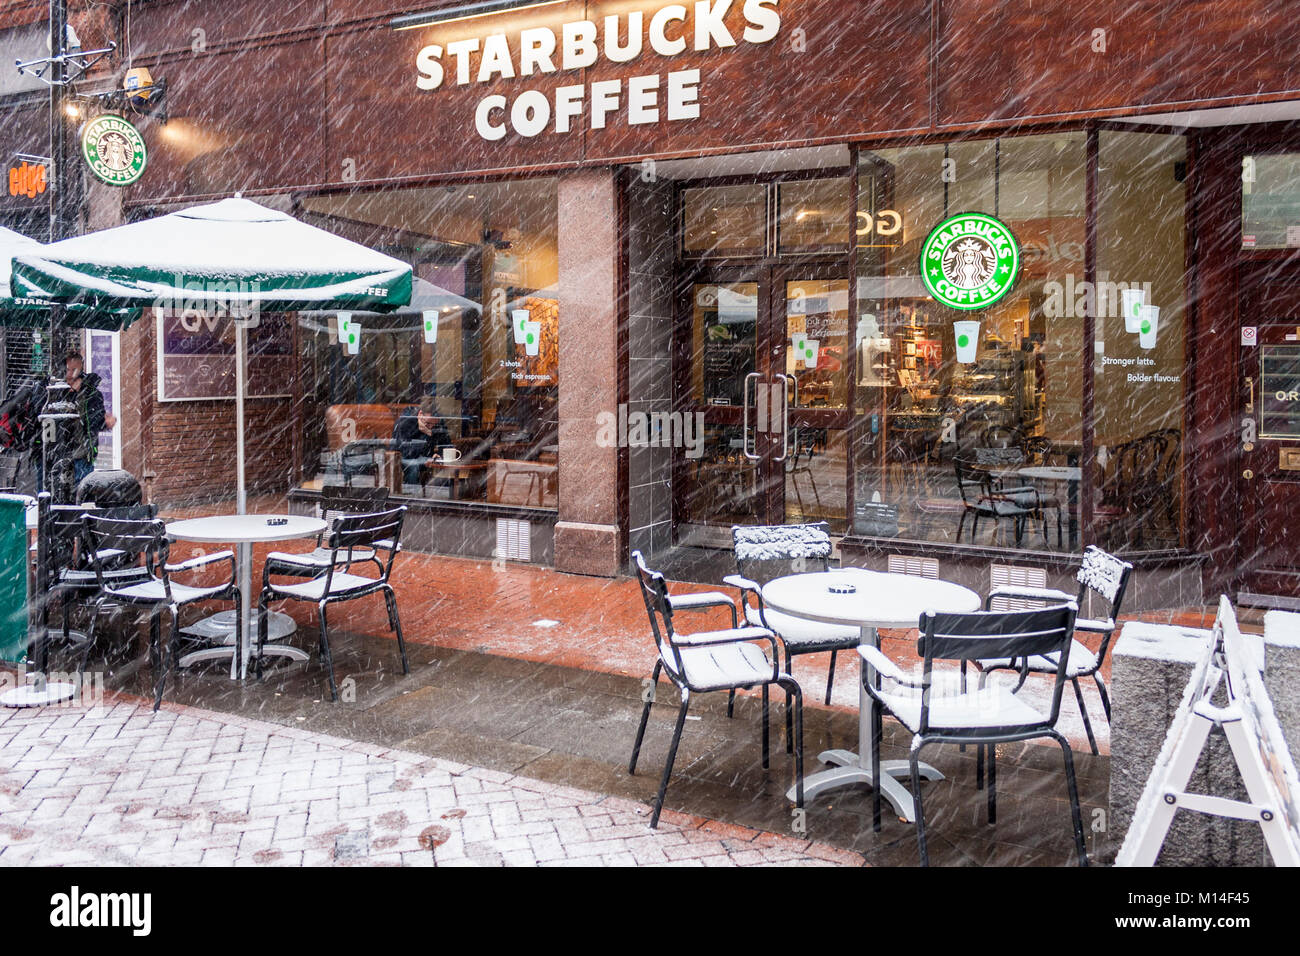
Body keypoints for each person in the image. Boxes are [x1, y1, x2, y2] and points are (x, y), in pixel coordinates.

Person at [63, 352, 116, 488]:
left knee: (82, 488)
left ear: (80, 370)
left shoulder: (92, 394)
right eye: (67, 369)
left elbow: (95, 421)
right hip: (63, 452)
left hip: (83, 452)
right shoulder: (60, 391)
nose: (69, 374)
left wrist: (106, 423)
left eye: (73, 370)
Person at [392, 395, 451, 487]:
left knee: (446, 464)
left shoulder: (438, 422)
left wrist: (439, 454)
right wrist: (426, 435)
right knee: (413, 467)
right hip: (402, 456)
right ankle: (412, 494)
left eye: (433, 424)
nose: (431, 427)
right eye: (427, 423)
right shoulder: (406, 421)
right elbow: (406, 451)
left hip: (425, 457)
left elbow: (447, 444)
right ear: (420, 414)